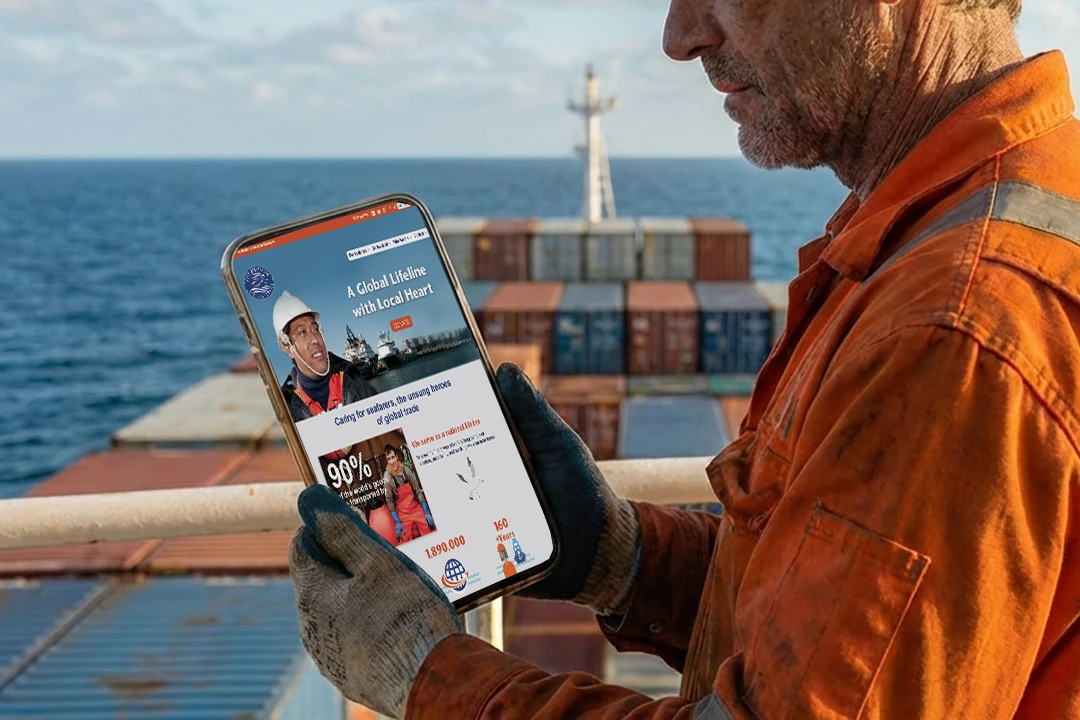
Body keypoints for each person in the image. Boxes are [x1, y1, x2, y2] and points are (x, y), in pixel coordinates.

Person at [286, 0, 1080, 716]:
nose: (679, 36)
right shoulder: (987, 207)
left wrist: (426, 674)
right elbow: (829, 618)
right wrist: (623, 558)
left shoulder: (954, 325)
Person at [273, 291, 377, 422]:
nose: (315, 339)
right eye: (302, 332)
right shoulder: (286, 414)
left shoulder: (360, 388)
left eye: (315, 329)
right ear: (288, 347)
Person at [380, 446, 436, 544]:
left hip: (415, 508)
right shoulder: (387, 477)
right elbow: (389, 502)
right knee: (403, 538)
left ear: (396, 457)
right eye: (389, 459)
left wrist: (426, 512)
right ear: (387, 461)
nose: (392, 461)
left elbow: (418, 491)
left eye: (393, 457)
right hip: (402, 514)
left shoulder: (406, 470)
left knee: (431, 528)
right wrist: (397, 522)